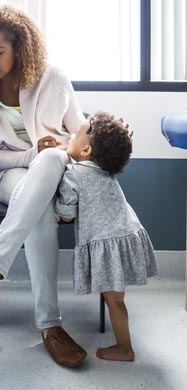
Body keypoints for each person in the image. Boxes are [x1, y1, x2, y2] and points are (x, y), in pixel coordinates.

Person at [0, 4, 88, 368]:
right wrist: (30, 156)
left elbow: (78, 133)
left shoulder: (52, 77)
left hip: (58, 171)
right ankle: (50, 326)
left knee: (52, 159)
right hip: (8, 174)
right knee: (38, 203)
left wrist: (72, 146)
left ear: (18, 48)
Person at [55, 112, 158, 361]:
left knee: (115, 301)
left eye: (75, 134)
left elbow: (66, 215)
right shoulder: (105, 169)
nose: (70, 136)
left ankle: (125, 349)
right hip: (126, 234)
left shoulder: (74, 174)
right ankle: (124, 346)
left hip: (108, 241)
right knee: (117, 299)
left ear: (87, 149)